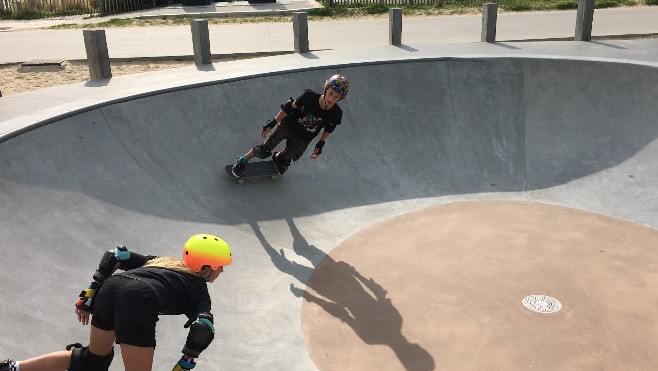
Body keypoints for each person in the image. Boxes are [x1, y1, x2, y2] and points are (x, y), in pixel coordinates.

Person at [1, 234, 232, 371]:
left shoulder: (162, 261)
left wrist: (88, 294)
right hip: (140, 299)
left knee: (93, 360)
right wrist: (184, 365)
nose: (222, 271)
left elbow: (116, 255)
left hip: (111, 287)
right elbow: (203, 329)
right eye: (220, 266)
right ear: (204, 267)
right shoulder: (199, 292)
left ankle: (13, 367)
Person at [230, 74, 350, 178]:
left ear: (340, 99)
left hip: (304, 137)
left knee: (285, 160)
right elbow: (289, 107)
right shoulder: (309, 97)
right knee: (264, 150)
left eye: (336, 97)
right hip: (288, 126)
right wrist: (273, 122)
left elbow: (329, 128)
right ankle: (243, 160)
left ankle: (278, 157)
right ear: (326, 89)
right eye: (330, 93)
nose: (331, 98)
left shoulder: (336, 114)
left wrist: (320, 144)